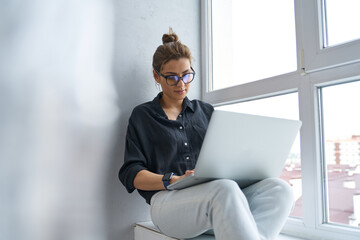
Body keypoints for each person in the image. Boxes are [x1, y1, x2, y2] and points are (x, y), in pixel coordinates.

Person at [119, 29, 294, 240]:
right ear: (156, 75)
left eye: (186, 75)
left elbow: (224, 157)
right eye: (172, 78)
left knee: (279, 189)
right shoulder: (143, 116)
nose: (181, 84)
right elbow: (131, 173)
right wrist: (172, 180)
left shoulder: (206, 112)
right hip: (168, 203)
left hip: (215, 198)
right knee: (224, 189)